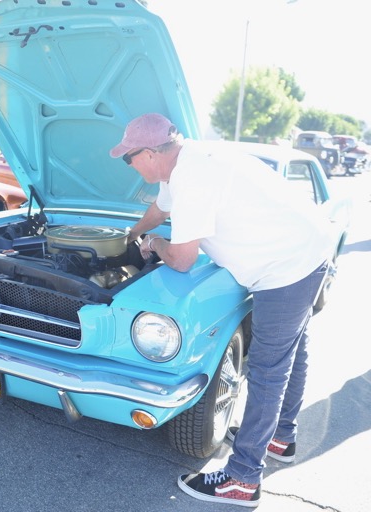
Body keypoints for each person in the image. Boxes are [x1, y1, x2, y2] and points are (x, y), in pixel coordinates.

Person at [110, 113, 333, 508]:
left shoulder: (194, 178)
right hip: (307, 247)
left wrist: (154, 245)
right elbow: (159, 212)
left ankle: (242, 479)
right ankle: (281, 438)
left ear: (148, 154)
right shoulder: (183, 162)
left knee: (268, 370)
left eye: (128, 159)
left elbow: (180, 258)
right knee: (291, 355)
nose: (128, 165)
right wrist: (129, 236)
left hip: (287, 267)